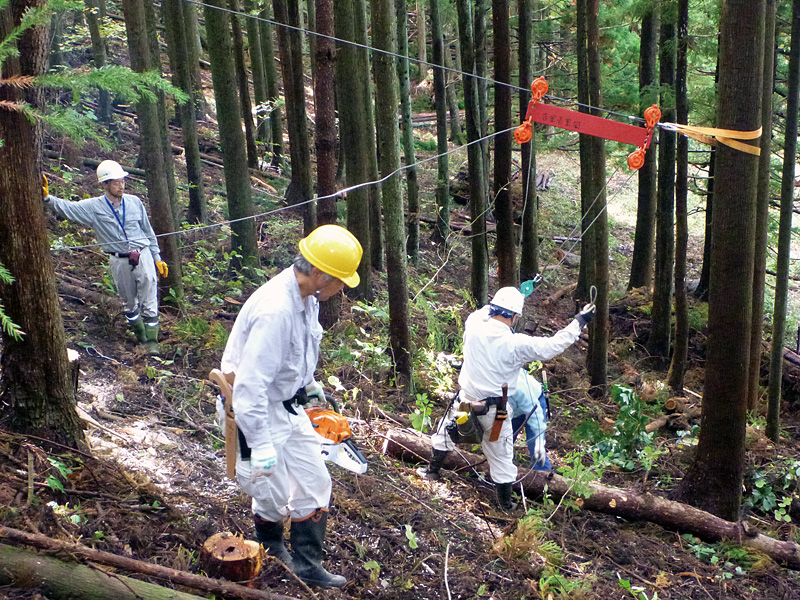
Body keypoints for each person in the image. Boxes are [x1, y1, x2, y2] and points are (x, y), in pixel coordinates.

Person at [220, 224, 362, 589]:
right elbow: (249, 389)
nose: (342, 288)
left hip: (288, 406)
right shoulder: (275, 311)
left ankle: (308, 564)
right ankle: (271, 549)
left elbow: (298, 358)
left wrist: (313, 392)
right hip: (256, 412)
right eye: (340, 281)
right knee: (271, 491)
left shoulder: (307, 299)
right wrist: (261, 443)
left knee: (316, 481)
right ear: (319, 272)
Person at [419, 286, 595, 511]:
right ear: (514, 316)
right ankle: (505, 506)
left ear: (493, 308)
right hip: (494, 413)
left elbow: (486, 311)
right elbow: (553, 345)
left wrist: (518, 295)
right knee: (501, 459)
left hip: (465, 401)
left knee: (446, 434)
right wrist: (579, 321)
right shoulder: (516, 344)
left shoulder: (473, 323)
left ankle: (431, 471)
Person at [43, 160, 168, 355]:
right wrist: (47, 199)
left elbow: (149, 231)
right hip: (118, 259)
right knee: (129, 302)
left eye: (122, 181)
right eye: (116, 182)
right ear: (105, 184)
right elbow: (69, 208)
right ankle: (141, 338)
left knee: (150, 297)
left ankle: (152, 344)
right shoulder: (94, 207)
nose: (121, 185)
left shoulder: (135, 202)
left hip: (142, 254)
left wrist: (157, 257)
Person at [509, 368, 550, 471]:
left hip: (534, 402)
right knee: (504, 443)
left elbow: (534, 412)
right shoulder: (486, 389)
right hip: (514, 411)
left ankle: (544, 478)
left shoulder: (517, 386)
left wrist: (540, 441)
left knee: (535, 448)